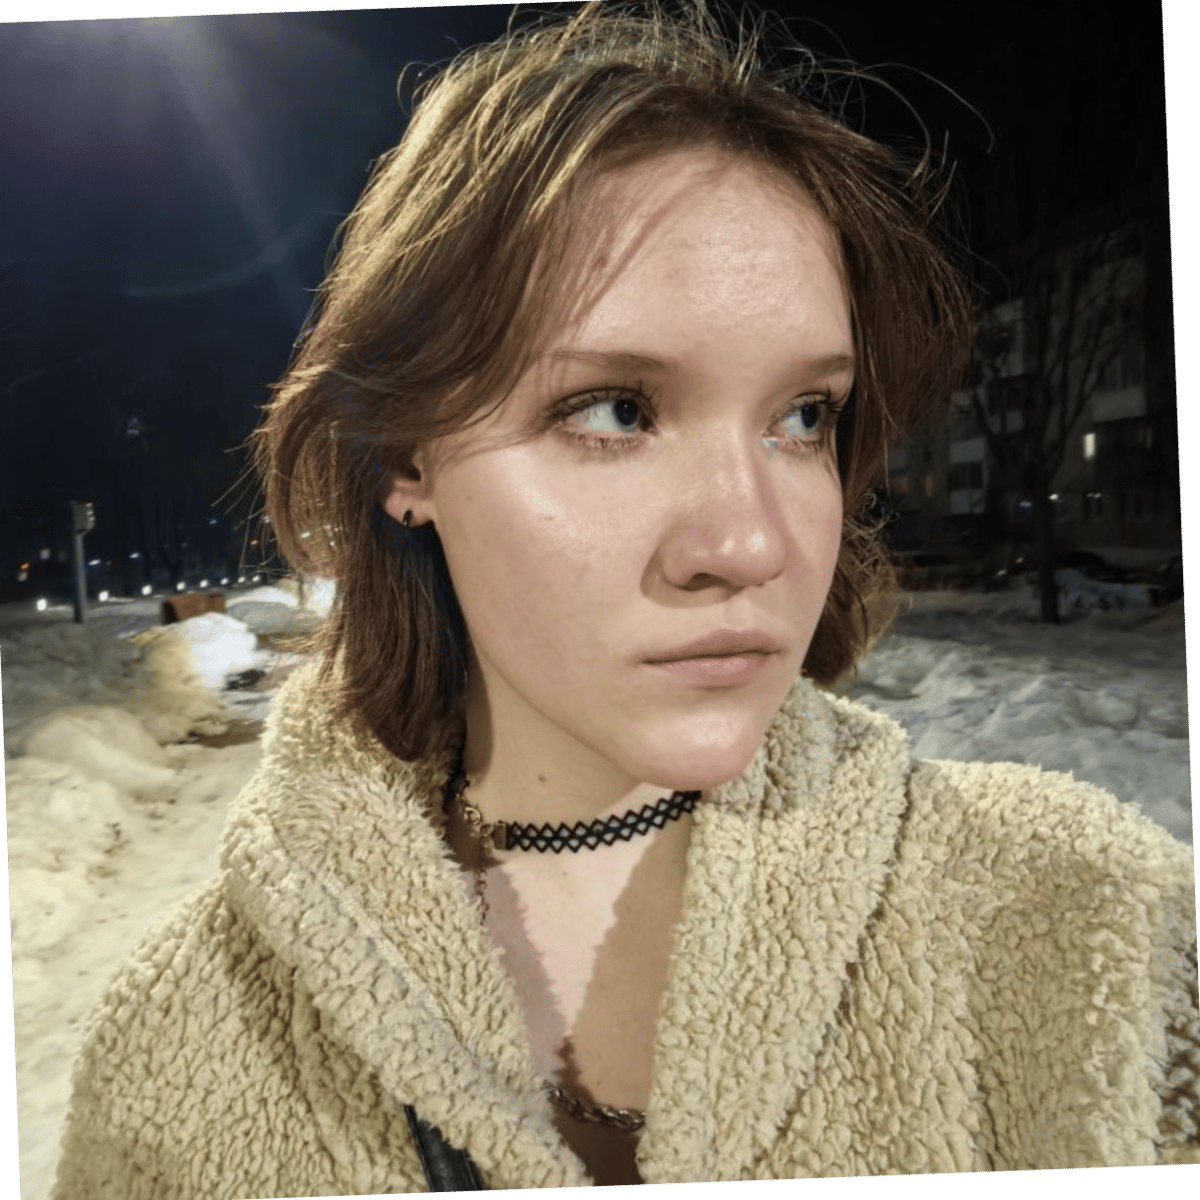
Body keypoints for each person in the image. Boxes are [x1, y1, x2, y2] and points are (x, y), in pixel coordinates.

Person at [52, 2, 1198, 1195]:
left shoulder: (1089, 925)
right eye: (614, 410)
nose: (749, 543)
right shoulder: (179, 1054)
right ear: (405, 457)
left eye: (804, 416)